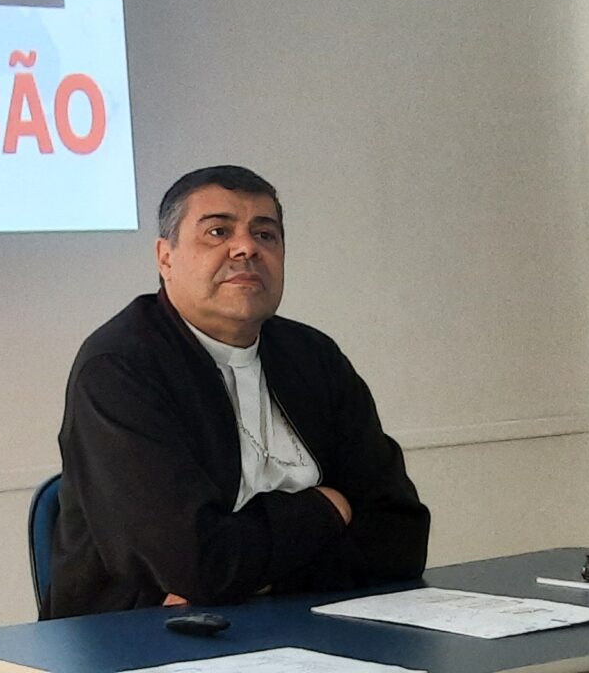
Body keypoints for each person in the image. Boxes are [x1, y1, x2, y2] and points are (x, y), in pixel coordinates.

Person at [45, 165, 425, 617]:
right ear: (165, 258)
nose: (246, 248)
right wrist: (327, 508)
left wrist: (264, 582)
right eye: (218, 231)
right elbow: (199, 564)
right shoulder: (120, 367)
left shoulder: (313, 357)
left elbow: (401, 537)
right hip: (143, 635)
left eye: (265, 235)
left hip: (309, 621)